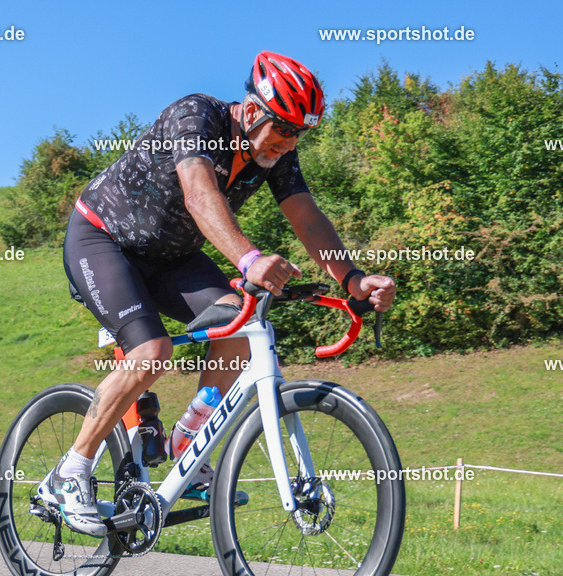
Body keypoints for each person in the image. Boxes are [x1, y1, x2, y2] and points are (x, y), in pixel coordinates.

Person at [38, 51, 396, 536]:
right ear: (252, 111)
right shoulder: (196, 116)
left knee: (244, 324)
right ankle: (69, 474)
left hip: (173, 257)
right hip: (105, 240)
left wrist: (352, 280)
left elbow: (307, 217)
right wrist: (249, 259)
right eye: (284, 128)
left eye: (299, 133)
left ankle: (188, 443)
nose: (290, 142)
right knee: (151, 353)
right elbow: (200, 196)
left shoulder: (277, 152)